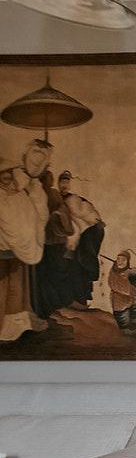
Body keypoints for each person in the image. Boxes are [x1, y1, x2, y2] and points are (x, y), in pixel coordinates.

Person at [35, 170, 104, 317]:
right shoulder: (52, 197)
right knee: (58, 271)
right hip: (58, 241)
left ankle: (78, 301)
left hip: (76, 242)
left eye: (66, 182)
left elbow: (86, 216)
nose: (64, 185)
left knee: (77, 268)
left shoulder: (75, 199)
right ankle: (60, 303)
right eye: (62, 182)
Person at [0, 141, 50, 342]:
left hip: (17, 251)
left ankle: (16, 327)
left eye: (9, 174)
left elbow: (36, 216)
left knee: (18, 290)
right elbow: (8, 219)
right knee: (3, 289)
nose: (7, 178)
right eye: (3, 175)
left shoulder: (19, 193)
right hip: (3, 250)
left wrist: (32, 190)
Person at [108, 249, 136, 329]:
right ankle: (124, 328)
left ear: (127, 261)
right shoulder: (114, 273)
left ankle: (134, 319)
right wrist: (128, 290)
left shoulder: (127, 271)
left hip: (132, 297)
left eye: (123, 260)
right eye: (118, 259)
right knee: (122, 315)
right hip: (120, 299)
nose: (120, 262)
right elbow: (113, 283)